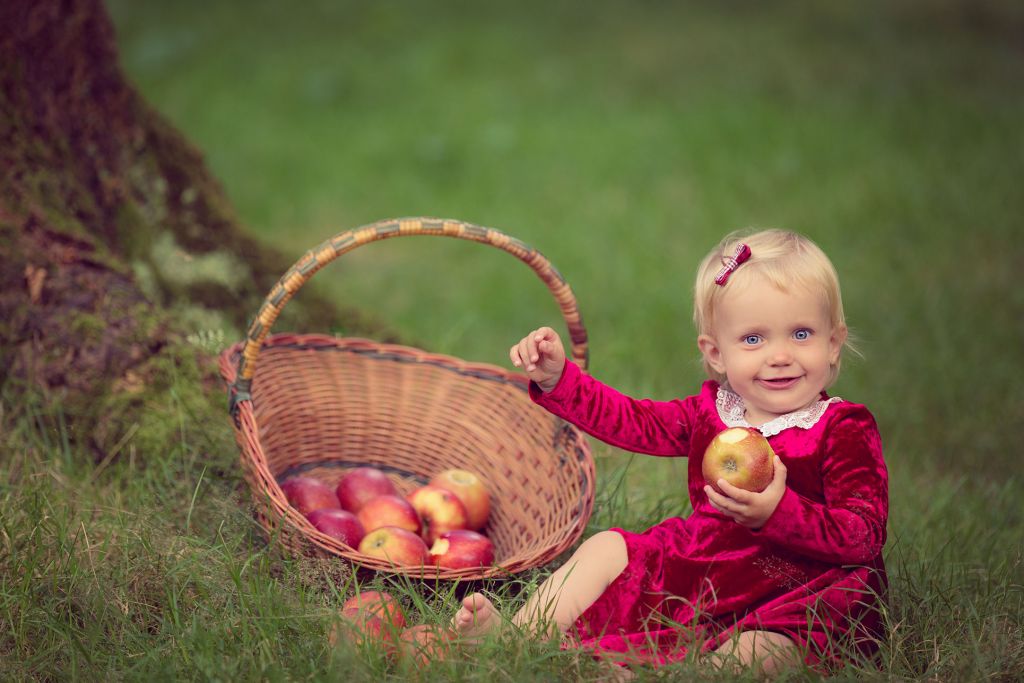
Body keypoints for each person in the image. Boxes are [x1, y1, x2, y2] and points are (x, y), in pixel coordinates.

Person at [451, 229, 888, 677]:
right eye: (754, 340)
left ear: (832, 343)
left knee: (760, 651)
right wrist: (559, 379)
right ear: (716, 353)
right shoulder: (712, 412)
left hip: (796, 585)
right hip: (708, 566)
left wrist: (780, 512)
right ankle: (519, 633)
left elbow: (864, 534)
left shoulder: (841, 428)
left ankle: (672, 674)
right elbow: (631, 420)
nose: (780, 355)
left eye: (801, 334)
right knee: (607, 548)